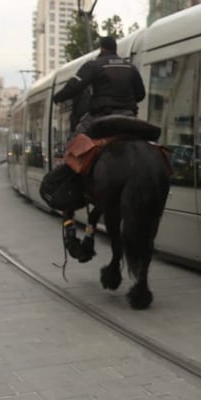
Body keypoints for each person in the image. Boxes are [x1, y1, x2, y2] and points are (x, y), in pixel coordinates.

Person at [50, 35, 146, 247]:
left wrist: (58, 98)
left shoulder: (95, 64)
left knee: (75, 145)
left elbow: (75, 87)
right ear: (116, 49)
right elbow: (140, 94)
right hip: (129, 116)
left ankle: (71, 186)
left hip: (100, 117)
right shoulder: (130, 67)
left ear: (101, 48)